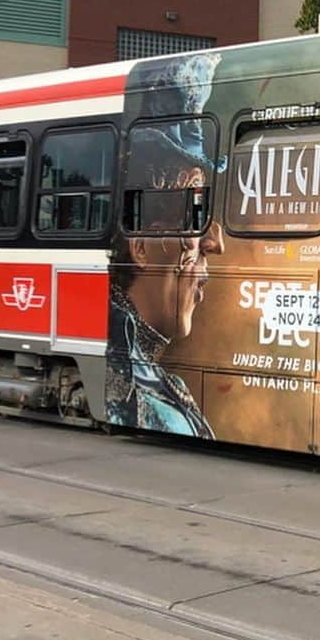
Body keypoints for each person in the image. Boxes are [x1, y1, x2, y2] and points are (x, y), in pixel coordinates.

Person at [105, 51, 224, 439]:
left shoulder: (154, 385)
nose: (215, 241)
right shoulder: (144, 399)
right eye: (196, 213)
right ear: (141, 246)